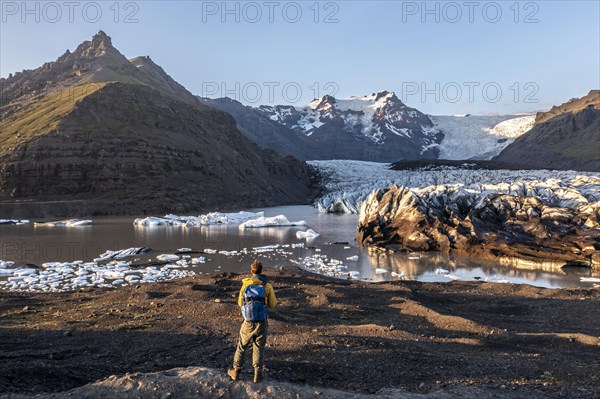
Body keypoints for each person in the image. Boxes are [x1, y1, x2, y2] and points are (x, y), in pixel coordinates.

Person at [228, 259, 277, 383]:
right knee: (258, 347)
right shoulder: (267, 286)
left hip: (248, 322)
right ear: (261, 271)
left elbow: (240, 303)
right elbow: (273, 304)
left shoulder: (246, 285)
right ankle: (257, 375)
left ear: (252, 271)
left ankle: (236, 371)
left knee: (242, 346)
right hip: (262, 322)